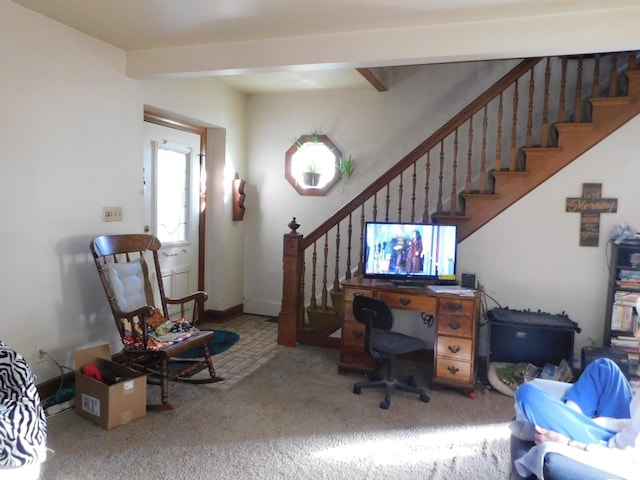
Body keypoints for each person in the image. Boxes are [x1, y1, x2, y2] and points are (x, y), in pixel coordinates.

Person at [512, 357, 640, 478]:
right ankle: (570, 422)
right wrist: (598, 424)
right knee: (605, 368)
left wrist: (569, 443)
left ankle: (567, 428)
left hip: (612, 452)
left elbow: (631, 466)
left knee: (527, 395)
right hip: (624, 430)